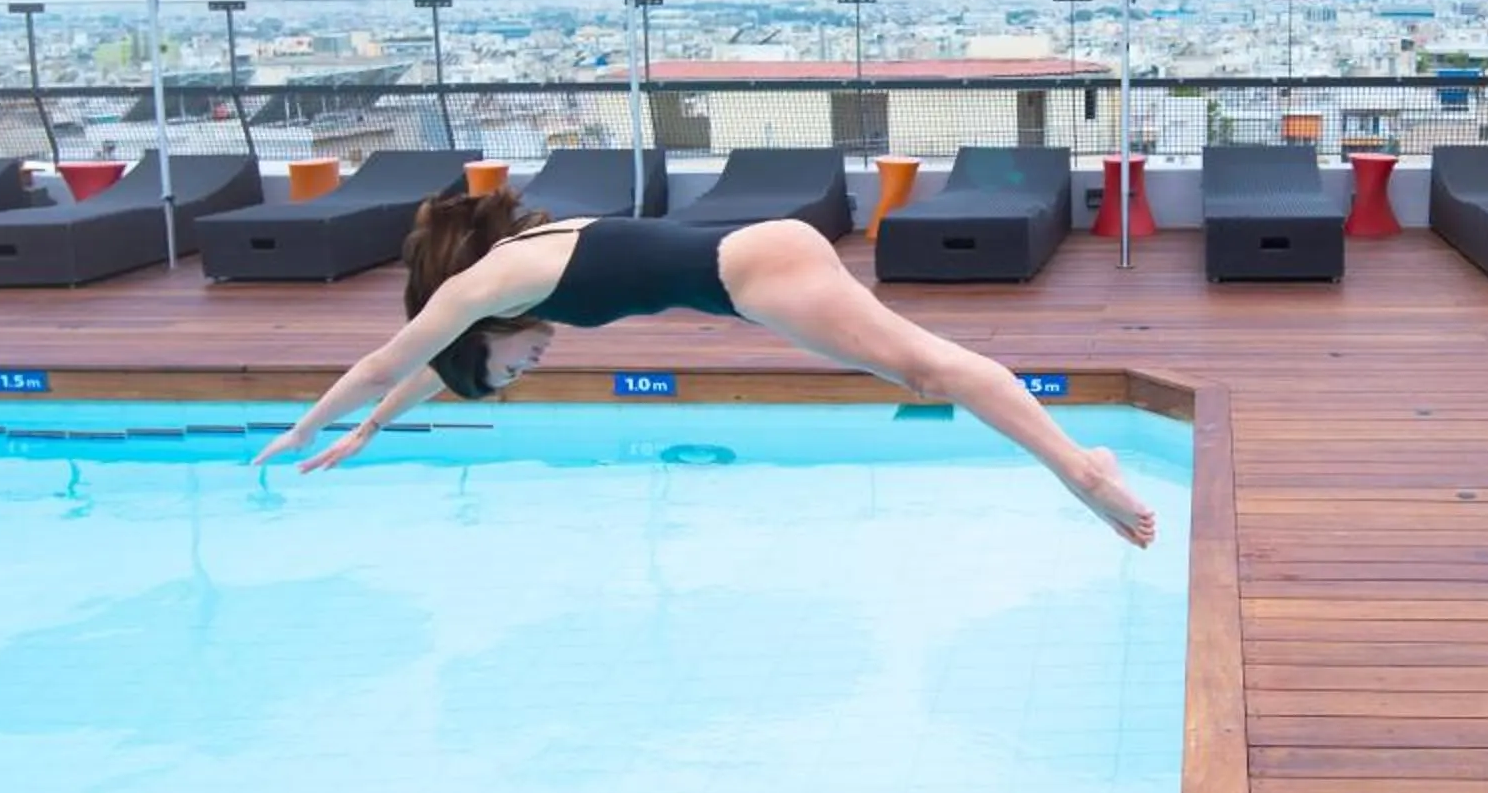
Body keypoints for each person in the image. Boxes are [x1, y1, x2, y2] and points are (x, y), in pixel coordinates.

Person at [253, 189, 1156, 547]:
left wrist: (306, 427)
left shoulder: (491, 283)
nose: (532, 366)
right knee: (917, 371)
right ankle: (1074, 465)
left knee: (929, 370)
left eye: (512, 372)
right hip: (757, 261)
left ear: (475, 331)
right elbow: (424, 376)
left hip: (757, 273)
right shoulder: (513, 279)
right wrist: (369, 433)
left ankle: (1081, 469)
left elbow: (386, 360)